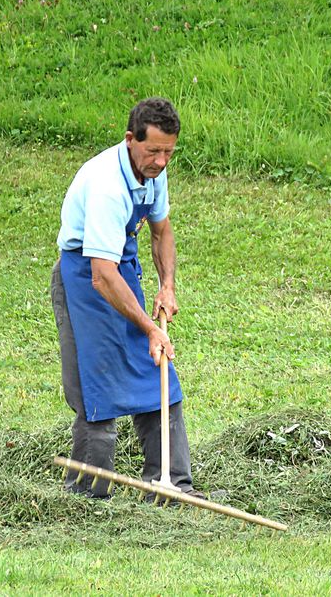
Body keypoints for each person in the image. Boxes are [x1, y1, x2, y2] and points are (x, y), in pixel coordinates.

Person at [50, 97, 202, 500]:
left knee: (157, 374)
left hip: (122, 267)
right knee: (96, 388)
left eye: (169, 151)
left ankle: (172, 486)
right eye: (153, 151)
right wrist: (150, 327)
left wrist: (167, 284)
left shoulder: (154, 171)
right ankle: (88, 494)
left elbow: (161, 231)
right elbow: (102, 275)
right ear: (130, 140)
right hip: (86, 276)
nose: (161, 161)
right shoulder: (106, 186)